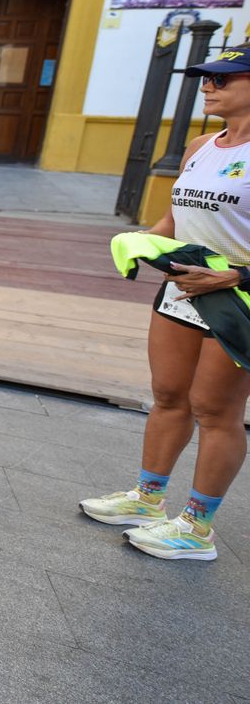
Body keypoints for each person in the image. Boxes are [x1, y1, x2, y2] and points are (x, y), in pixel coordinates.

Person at [79, 44, 250, 561]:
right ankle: (148, 499)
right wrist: (142, 241)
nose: (208, 87)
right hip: (181, 291)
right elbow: (175, 219)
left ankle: (197, 527)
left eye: (222, 79)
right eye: (204, 78)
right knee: (169, 396)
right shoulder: (202, 145)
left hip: (237, 300)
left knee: (216, 411)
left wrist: (234, 276)